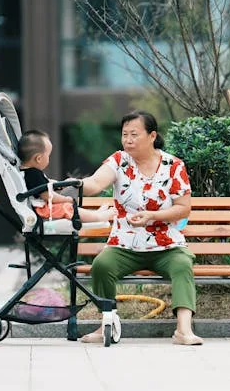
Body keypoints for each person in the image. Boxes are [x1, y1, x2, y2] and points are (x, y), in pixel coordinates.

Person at [79, 111, 203, 346]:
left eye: (134, 134)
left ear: (152, 136)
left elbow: (183, 208)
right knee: (102, 265)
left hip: (166, 245)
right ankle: (106, 323)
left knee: (182, 265)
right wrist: (63, 186)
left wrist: (153, 216)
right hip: (125, 244)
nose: (128, 140)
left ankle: (183, 330)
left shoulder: (173, 166)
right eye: (124, 134)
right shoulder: (118, 160)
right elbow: (95, 183)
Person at [18, 130, 114, 222]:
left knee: (69, 196)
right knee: (68, 207)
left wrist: (58, 184)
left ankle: (95, 214)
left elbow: (44, 184)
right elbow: (48, 196)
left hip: (43, 208)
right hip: (44, 210)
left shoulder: (26, 172)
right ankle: (98, 217)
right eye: (48, 155)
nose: (49, 159)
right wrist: (66, 199)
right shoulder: (34, 174)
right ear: (38, 158)